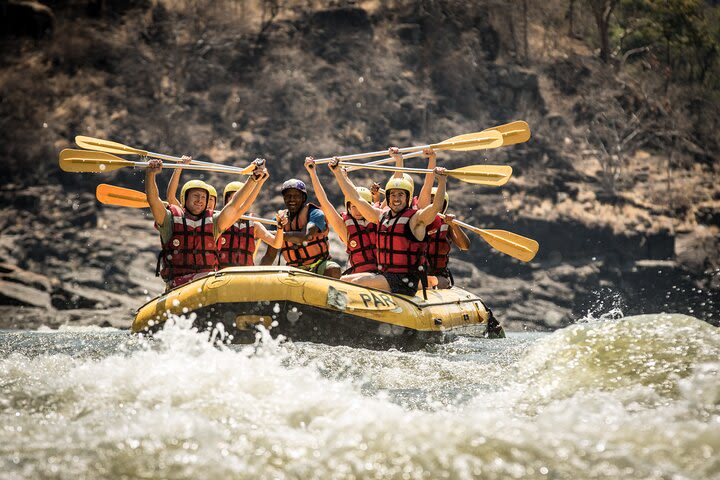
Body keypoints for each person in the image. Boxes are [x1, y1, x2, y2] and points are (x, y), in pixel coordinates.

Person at [333, 154, 448, 297]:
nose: (396, 199)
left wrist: (442, 181)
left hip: (406, 280)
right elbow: (355, 198)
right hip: (386, 276)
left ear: (408, 197)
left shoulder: (415, 219)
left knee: (357, 281)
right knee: (341, 280)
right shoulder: (381, 216)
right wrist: (338, 174)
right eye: (393, 195)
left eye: (401, 195)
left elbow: (436, 206)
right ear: (388, 197)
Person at [145, 157, 266, 290]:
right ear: (185, 198)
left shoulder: (214, 223)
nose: (200, 200)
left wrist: (254, 179)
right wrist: (150, 175)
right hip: (178, 286)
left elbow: (235, 205)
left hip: (206, 286)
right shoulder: (170, 220)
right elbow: (153, 200)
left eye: (203, 197)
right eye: (195, 196)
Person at [304, 156, 378, 276]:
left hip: (383, 275)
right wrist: (313, 173)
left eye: (360, 206)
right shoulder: (346, 230)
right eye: (353, 207)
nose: (358, 211)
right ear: (348, 208)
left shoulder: (379, 219)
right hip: (360, 275)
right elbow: (325, 202)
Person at [260, 178, 342, 278]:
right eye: (288, 196)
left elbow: (306, 236)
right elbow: (270, 256)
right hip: (293, 269)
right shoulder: (278, 220)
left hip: (318, 265)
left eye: (296, 196)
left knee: (334, 269)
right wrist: (258, 275)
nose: (292, 199)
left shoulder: (315, 213)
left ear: (303, 198)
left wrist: (278, 234)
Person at [217, 180, 288, 267]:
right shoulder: (219, 221)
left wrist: (280, 227)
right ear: (227, 201)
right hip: (224, 272)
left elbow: (276, 244)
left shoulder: (254, 224)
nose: (238, 202)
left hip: (245, 273)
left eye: (242, 199)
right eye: (234, 199)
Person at [425, 187, 470, 289]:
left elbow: (465, 246)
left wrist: (454, 225)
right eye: (431, 203)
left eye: (437, 204)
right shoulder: (417, 221)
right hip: (418, 272)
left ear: (444, 206)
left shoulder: (446, 225)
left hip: (439, 274)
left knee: (440, 283)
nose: (434, 207)